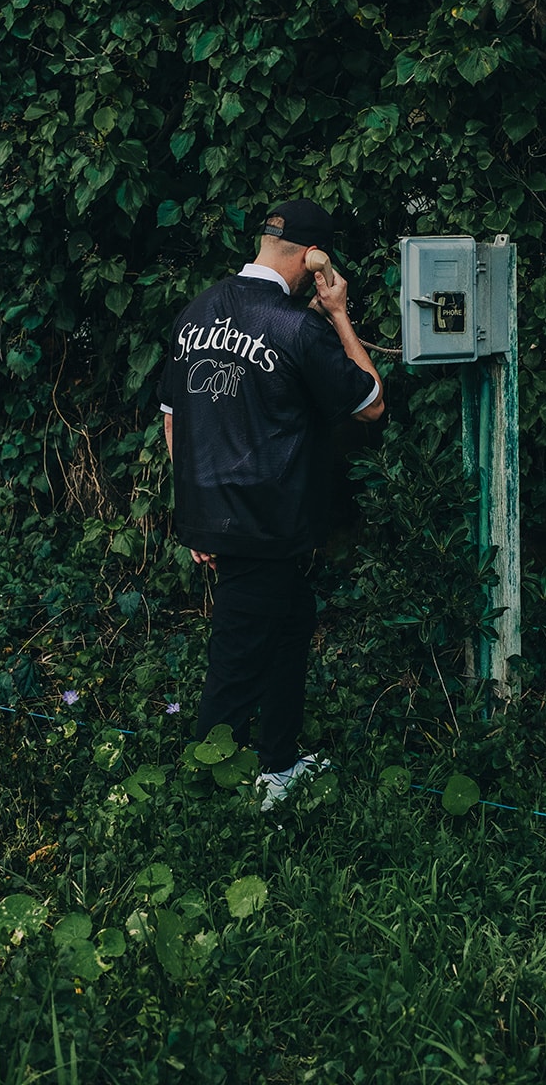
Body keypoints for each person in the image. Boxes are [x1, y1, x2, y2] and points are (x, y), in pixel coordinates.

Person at [158, 198, 384, 808]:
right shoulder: (296, 325)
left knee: (290, 626)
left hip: (221, 519)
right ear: (314, 257)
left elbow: (174, 422)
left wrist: (197, 515)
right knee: (237, 661)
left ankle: (277, 763)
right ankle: (205, 800)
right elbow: (370, 403)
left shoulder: (195, 311)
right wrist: (338, 313)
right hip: (268, 523)